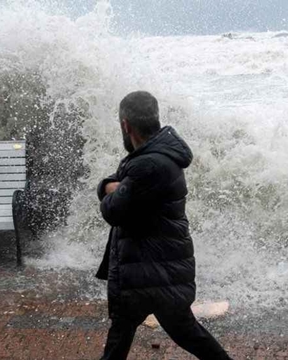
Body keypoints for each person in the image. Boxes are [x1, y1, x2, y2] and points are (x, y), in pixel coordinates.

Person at [96, 91, 232, 360]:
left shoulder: (149, 163)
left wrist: (109, 189)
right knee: (178, 332)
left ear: (125, 125)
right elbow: (120, 181)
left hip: (152, 271)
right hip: (155, 267)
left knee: (174, 333)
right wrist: (109, 185)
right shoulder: (156, 154)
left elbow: (113, 210)